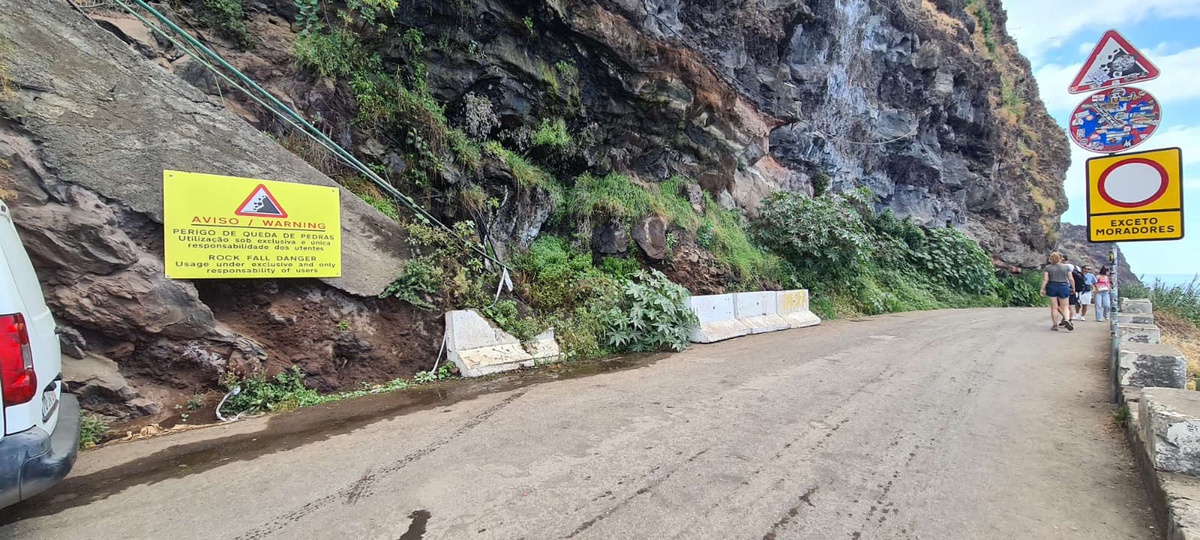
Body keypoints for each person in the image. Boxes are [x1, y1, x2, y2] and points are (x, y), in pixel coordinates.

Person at [1041, 252, 1075, 331]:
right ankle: (1066, 319)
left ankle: (1055, 325)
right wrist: (1073, 288)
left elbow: (1046, 279)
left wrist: (1042, 289)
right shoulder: (1066, 267)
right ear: (1061, 258)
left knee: (1054, 307)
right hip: (1063, 286)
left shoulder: (1048, 267)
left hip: (1052, 286)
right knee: (1065, 306)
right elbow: (1071, 279)